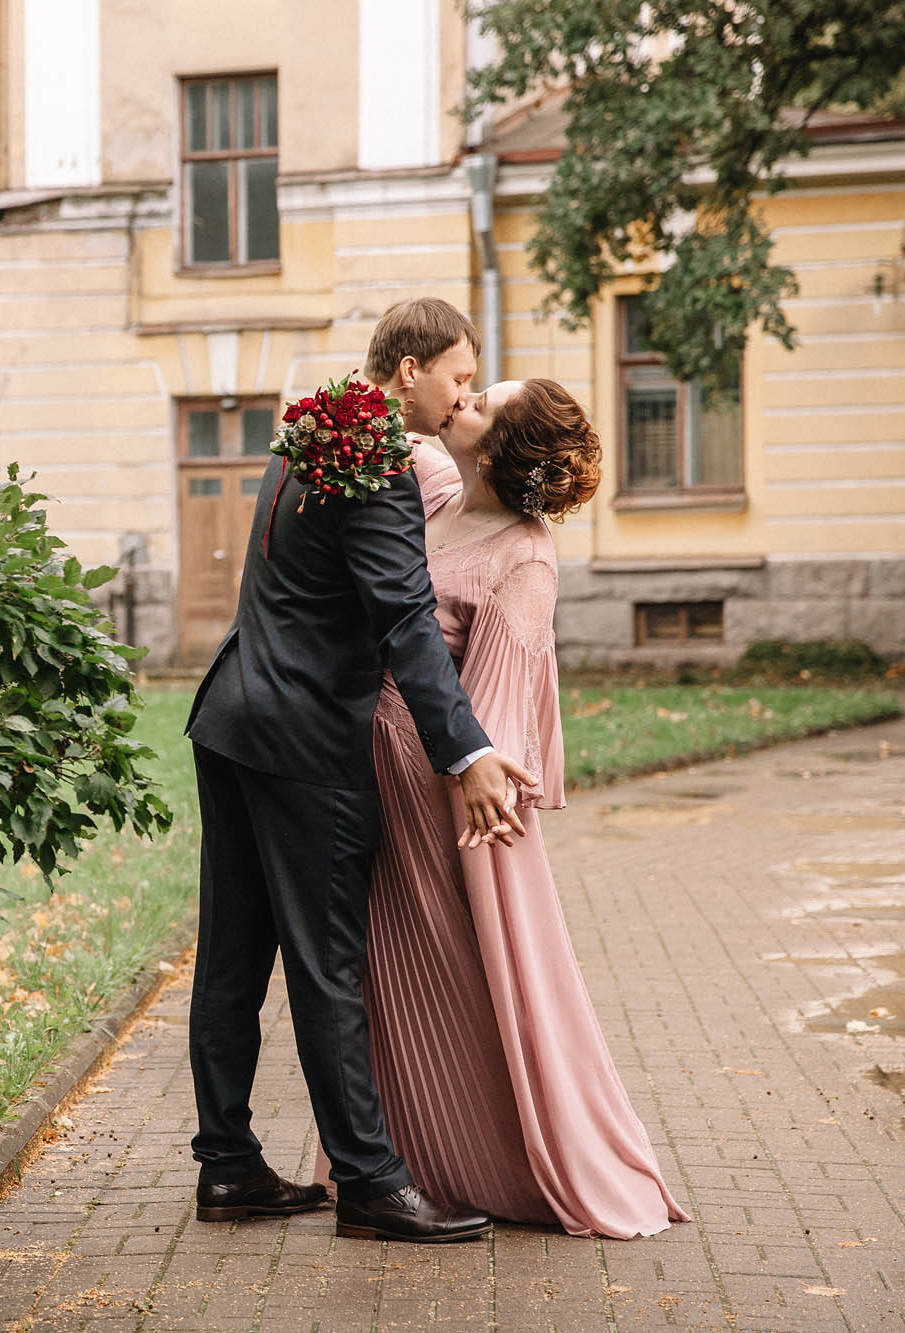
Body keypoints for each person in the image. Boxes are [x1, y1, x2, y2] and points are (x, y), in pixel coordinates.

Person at [184, 298, 538, 1244]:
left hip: (231, 715)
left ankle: (228, 1167)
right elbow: (404, 621)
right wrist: (464, 749)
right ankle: (373, 1180)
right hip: (303, 741)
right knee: (326, 961)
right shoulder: (373, 461)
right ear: (412, 366)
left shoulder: (310, 431)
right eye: (460, 375)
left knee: (230, 954)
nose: (464, 392)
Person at [326, 377, 691, 1239]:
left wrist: (470, 783)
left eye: (479, 399)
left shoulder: (522, 556)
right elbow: (388, 411)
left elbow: (493, 706)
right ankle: (396, 1156)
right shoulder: (440, 490)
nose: (460, 400)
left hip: (433, 780)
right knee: (386, 967)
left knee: (447, 965)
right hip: (368, 759)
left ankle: (479, 1159)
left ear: (497, 445)